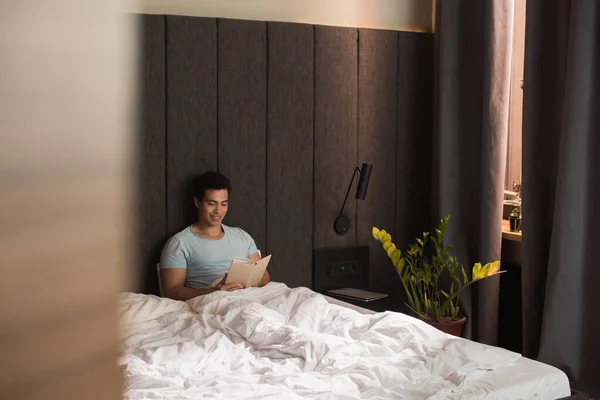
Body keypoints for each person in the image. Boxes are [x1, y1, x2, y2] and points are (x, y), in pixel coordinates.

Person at [159, 171, 270, 301]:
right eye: (211, 203)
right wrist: (213, 291)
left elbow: (265, 276)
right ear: (197, 202)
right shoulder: (179, 243)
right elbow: (171, 290)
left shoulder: (242, 236)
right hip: (213, 300)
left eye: (224, 204)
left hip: (250, 295)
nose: (218, 211)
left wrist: (248, 285)